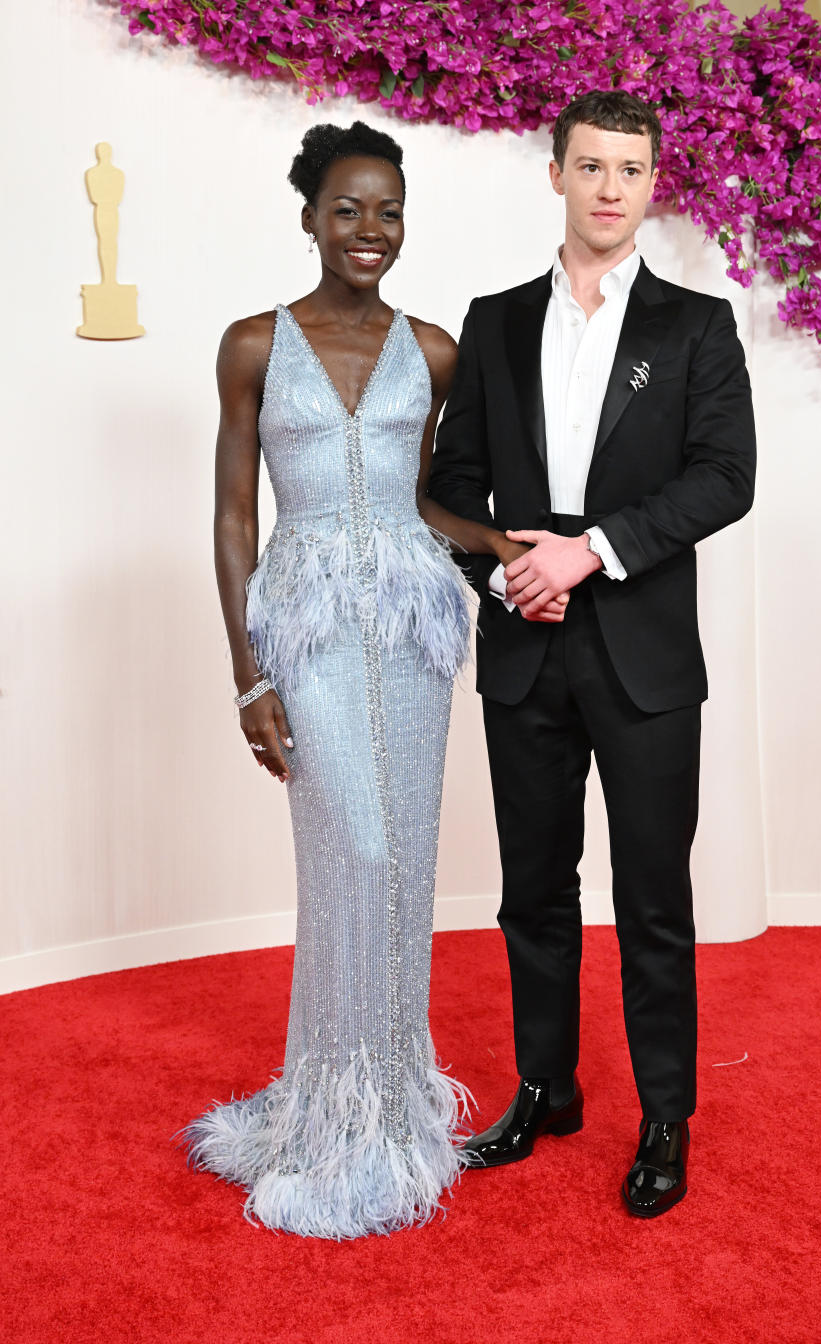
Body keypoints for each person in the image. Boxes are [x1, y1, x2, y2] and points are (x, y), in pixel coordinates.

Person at [181, 121, 532, 1239]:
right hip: (310, 621)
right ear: (309, 217)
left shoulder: (432, 350)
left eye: (387, 210)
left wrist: (498, 543)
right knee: (355, 847)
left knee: (406, 856)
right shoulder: (251, 344)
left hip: (415, 626)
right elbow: (236, 518)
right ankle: (332, 1110)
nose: (369, 229)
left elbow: (425, 500)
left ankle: (387, 1101)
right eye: (348, 209)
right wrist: (249, 675)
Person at [428, 90, 756, 1218]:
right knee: (533, 892)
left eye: (631, 168)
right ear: (556, 174)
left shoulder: (696, 325)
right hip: (525, 650)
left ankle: (665, 1115)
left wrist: (592, 554)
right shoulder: (496, 320)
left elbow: (725, 478)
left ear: (652, 182)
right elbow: (448, 486)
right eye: (591, 166)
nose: (611, 187)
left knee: (654, 895)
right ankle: (545, 1088)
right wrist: (510, 567)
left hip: (646, 659)